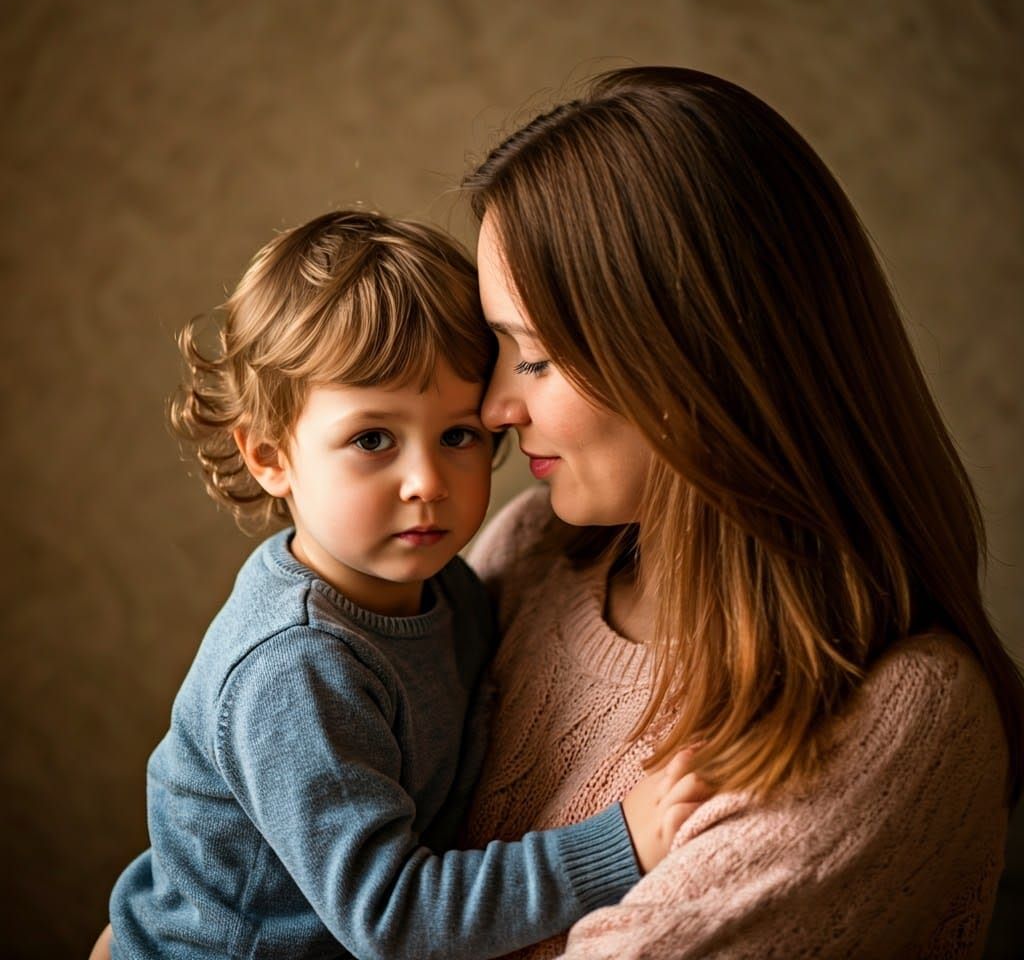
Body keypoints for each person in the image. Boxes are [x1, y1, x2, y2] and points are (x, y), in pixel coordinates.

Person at [459, 66, 1024, 958]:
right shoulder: (529, 555)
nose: (494, 408)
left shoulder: (897, 716)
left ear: (687, 359)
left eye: (533, 358)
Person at [96, 210, 707, 960]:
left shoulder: (457, 593)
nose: (426, 482)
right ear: (270, 456)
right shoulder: (295, 666)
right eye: (373, 439)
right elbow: (391, 917)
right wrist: (620, 843)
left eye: (458, 436)